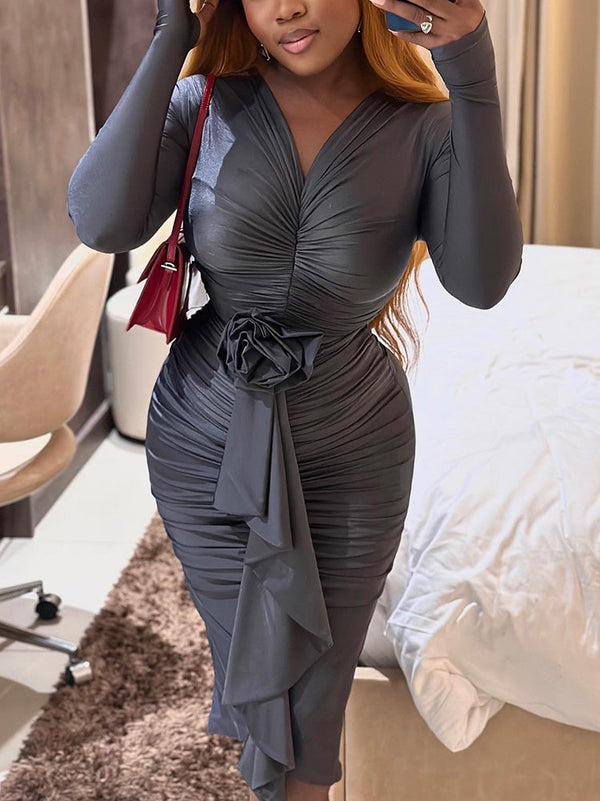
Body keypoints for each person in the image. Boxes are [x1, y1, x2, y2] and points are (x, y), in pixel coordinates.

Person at [67, 0, 523, 799]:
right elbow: (101, 221)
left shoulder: (421, 126)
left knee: (311, 712)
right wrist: (174, 32)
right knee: (263, 701)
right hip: (206, 445)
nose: (287, 8)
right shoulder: (205, 102)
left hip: (355, 451)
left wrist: (472, 73)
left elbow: (482, 282)